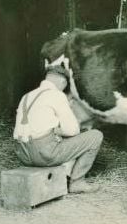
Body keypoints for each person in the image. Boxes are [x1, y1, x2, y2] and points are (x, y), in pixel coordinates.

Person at [13, 65, 103, 194]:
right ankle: (77, 182)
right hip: (44, 154)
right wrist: (57, 130)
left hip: (22, 154)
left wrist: (53, 130)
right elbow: (73, 131)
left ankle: (64, 174)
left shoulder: (26, 96)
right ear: (63, 82)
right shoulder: (57, 95)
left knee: (56, 136)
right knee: (95, 136)